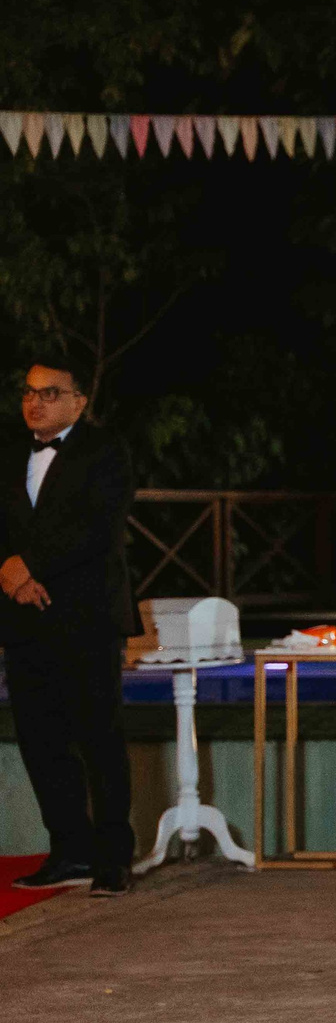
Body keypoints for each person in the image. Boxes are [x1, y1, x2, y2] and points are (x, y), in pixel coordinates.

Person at [2, 358, 138, 897]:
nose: (35, 402)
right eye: (29, 392)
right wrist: (9, 575)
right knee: (41, 741)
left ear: (79, 401)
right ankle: (68, 852)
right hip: (22, 615)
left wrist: (26, 565)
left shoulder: (106, 452)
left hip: (86, 616)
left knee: (98, 737)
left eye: (50, 393)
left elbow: (97, 529)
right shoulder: (10, 452)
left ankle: (112, 858)